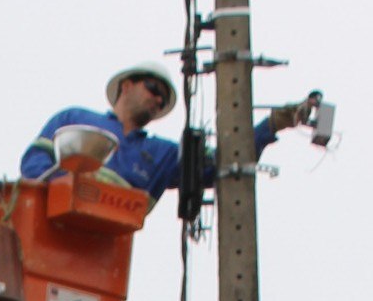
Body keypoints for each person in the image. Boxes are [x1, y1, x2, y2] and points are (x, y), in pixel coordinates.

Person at [20, 61, 314, 207]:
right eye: (153, 89)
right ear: (127, 86)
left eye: (163, 98)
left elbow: (222, 163)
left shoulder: (162, 154)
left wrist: (273, 124)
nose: (158, 100)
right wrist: (67, 190)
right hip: (52, 229)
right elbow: (34, 164)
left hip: (107, 246)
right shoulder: (75, 119)